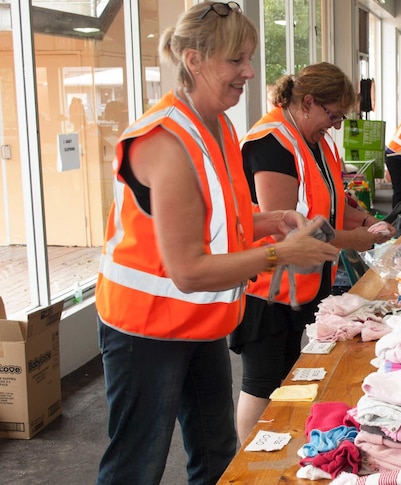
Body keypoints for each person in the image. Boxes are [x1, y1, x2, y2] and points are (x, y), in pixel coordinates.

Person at [94, 3, 340, 484]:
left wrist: (269, 221)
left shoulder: (220, 126)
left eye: (249, 58)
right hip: (145, 331)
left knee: (217, 452)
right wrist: (281, 253)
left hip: (201, 322)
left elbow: (217, 216)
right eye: (237, 60)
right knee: (137, 462)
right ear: (194, 60)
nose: (249, 71)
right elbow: (186, 268)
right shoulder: (163, 142)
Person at [230, 63, 395, 441]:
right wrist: (357, 241)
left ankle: (275, 454)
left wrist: (367, 220)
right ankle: (249, 467)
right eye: (332, 115)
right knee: (262, 383)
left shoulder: (315, 142)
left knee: (288, 378)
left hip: (301, 287)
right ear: (308, 102)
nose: (336, 125)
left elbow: (333, 200)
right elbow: (290, 229)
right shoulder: (270, 144)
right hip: (267, 291)